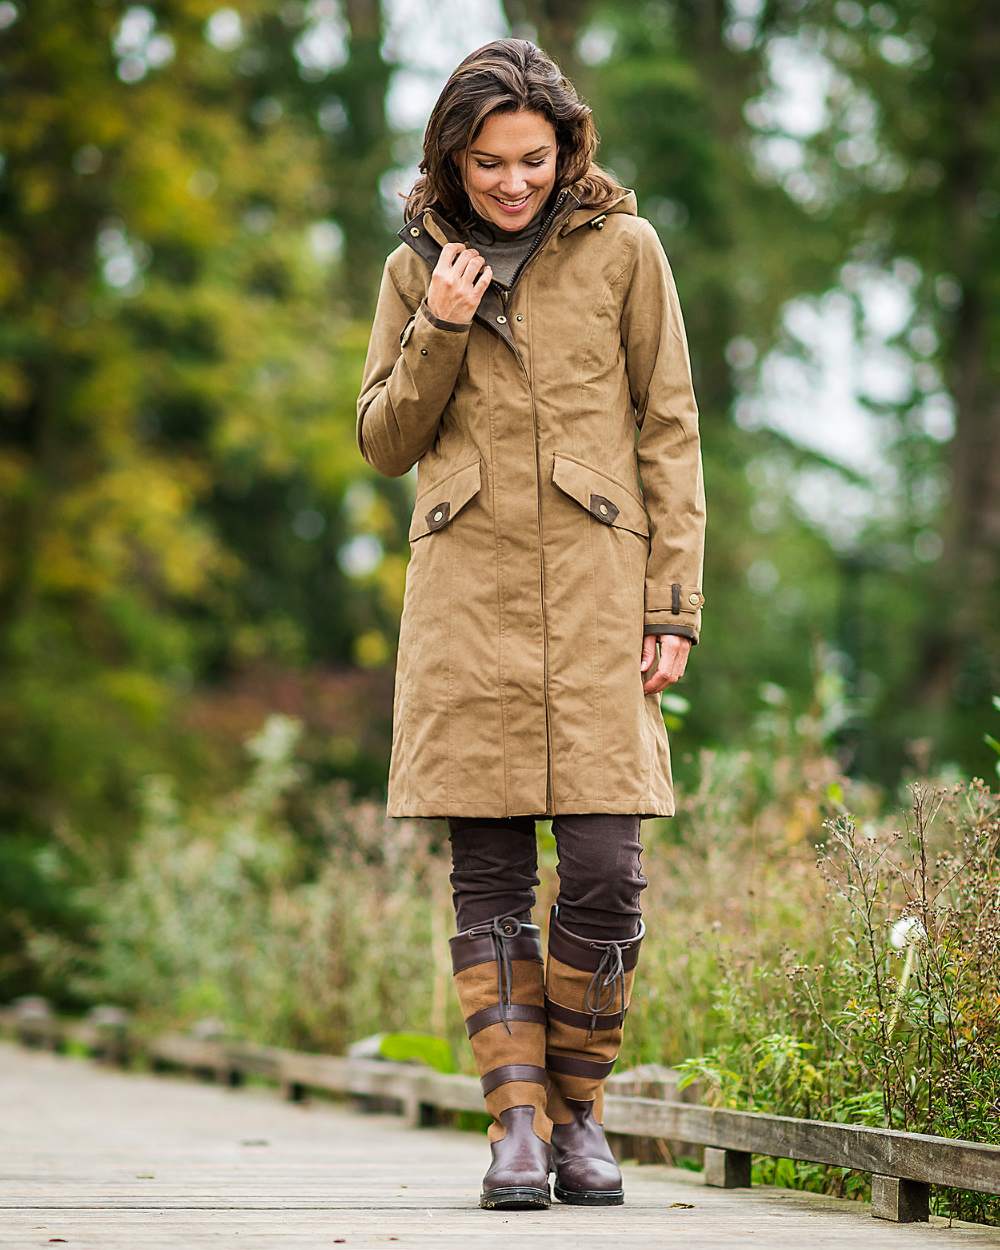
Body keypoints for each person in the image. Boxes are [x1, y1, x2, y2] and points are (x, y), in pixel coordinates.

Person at [356, 38, 706, 1211]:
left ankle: (582, 1110)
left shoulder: (626, 252)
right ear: (452, 162)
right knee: (490, 873)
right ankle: (518, 1129)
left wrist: (673, 605)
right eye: (490, 162)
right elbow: (383, 440)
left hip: (602, 599)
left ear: (567, 151)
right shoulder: (415, 271)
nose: (513, 183)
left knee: (607, 870)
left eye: (534, 159)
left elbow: (670, 432)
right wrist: (439, 327)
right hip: (468, 602)